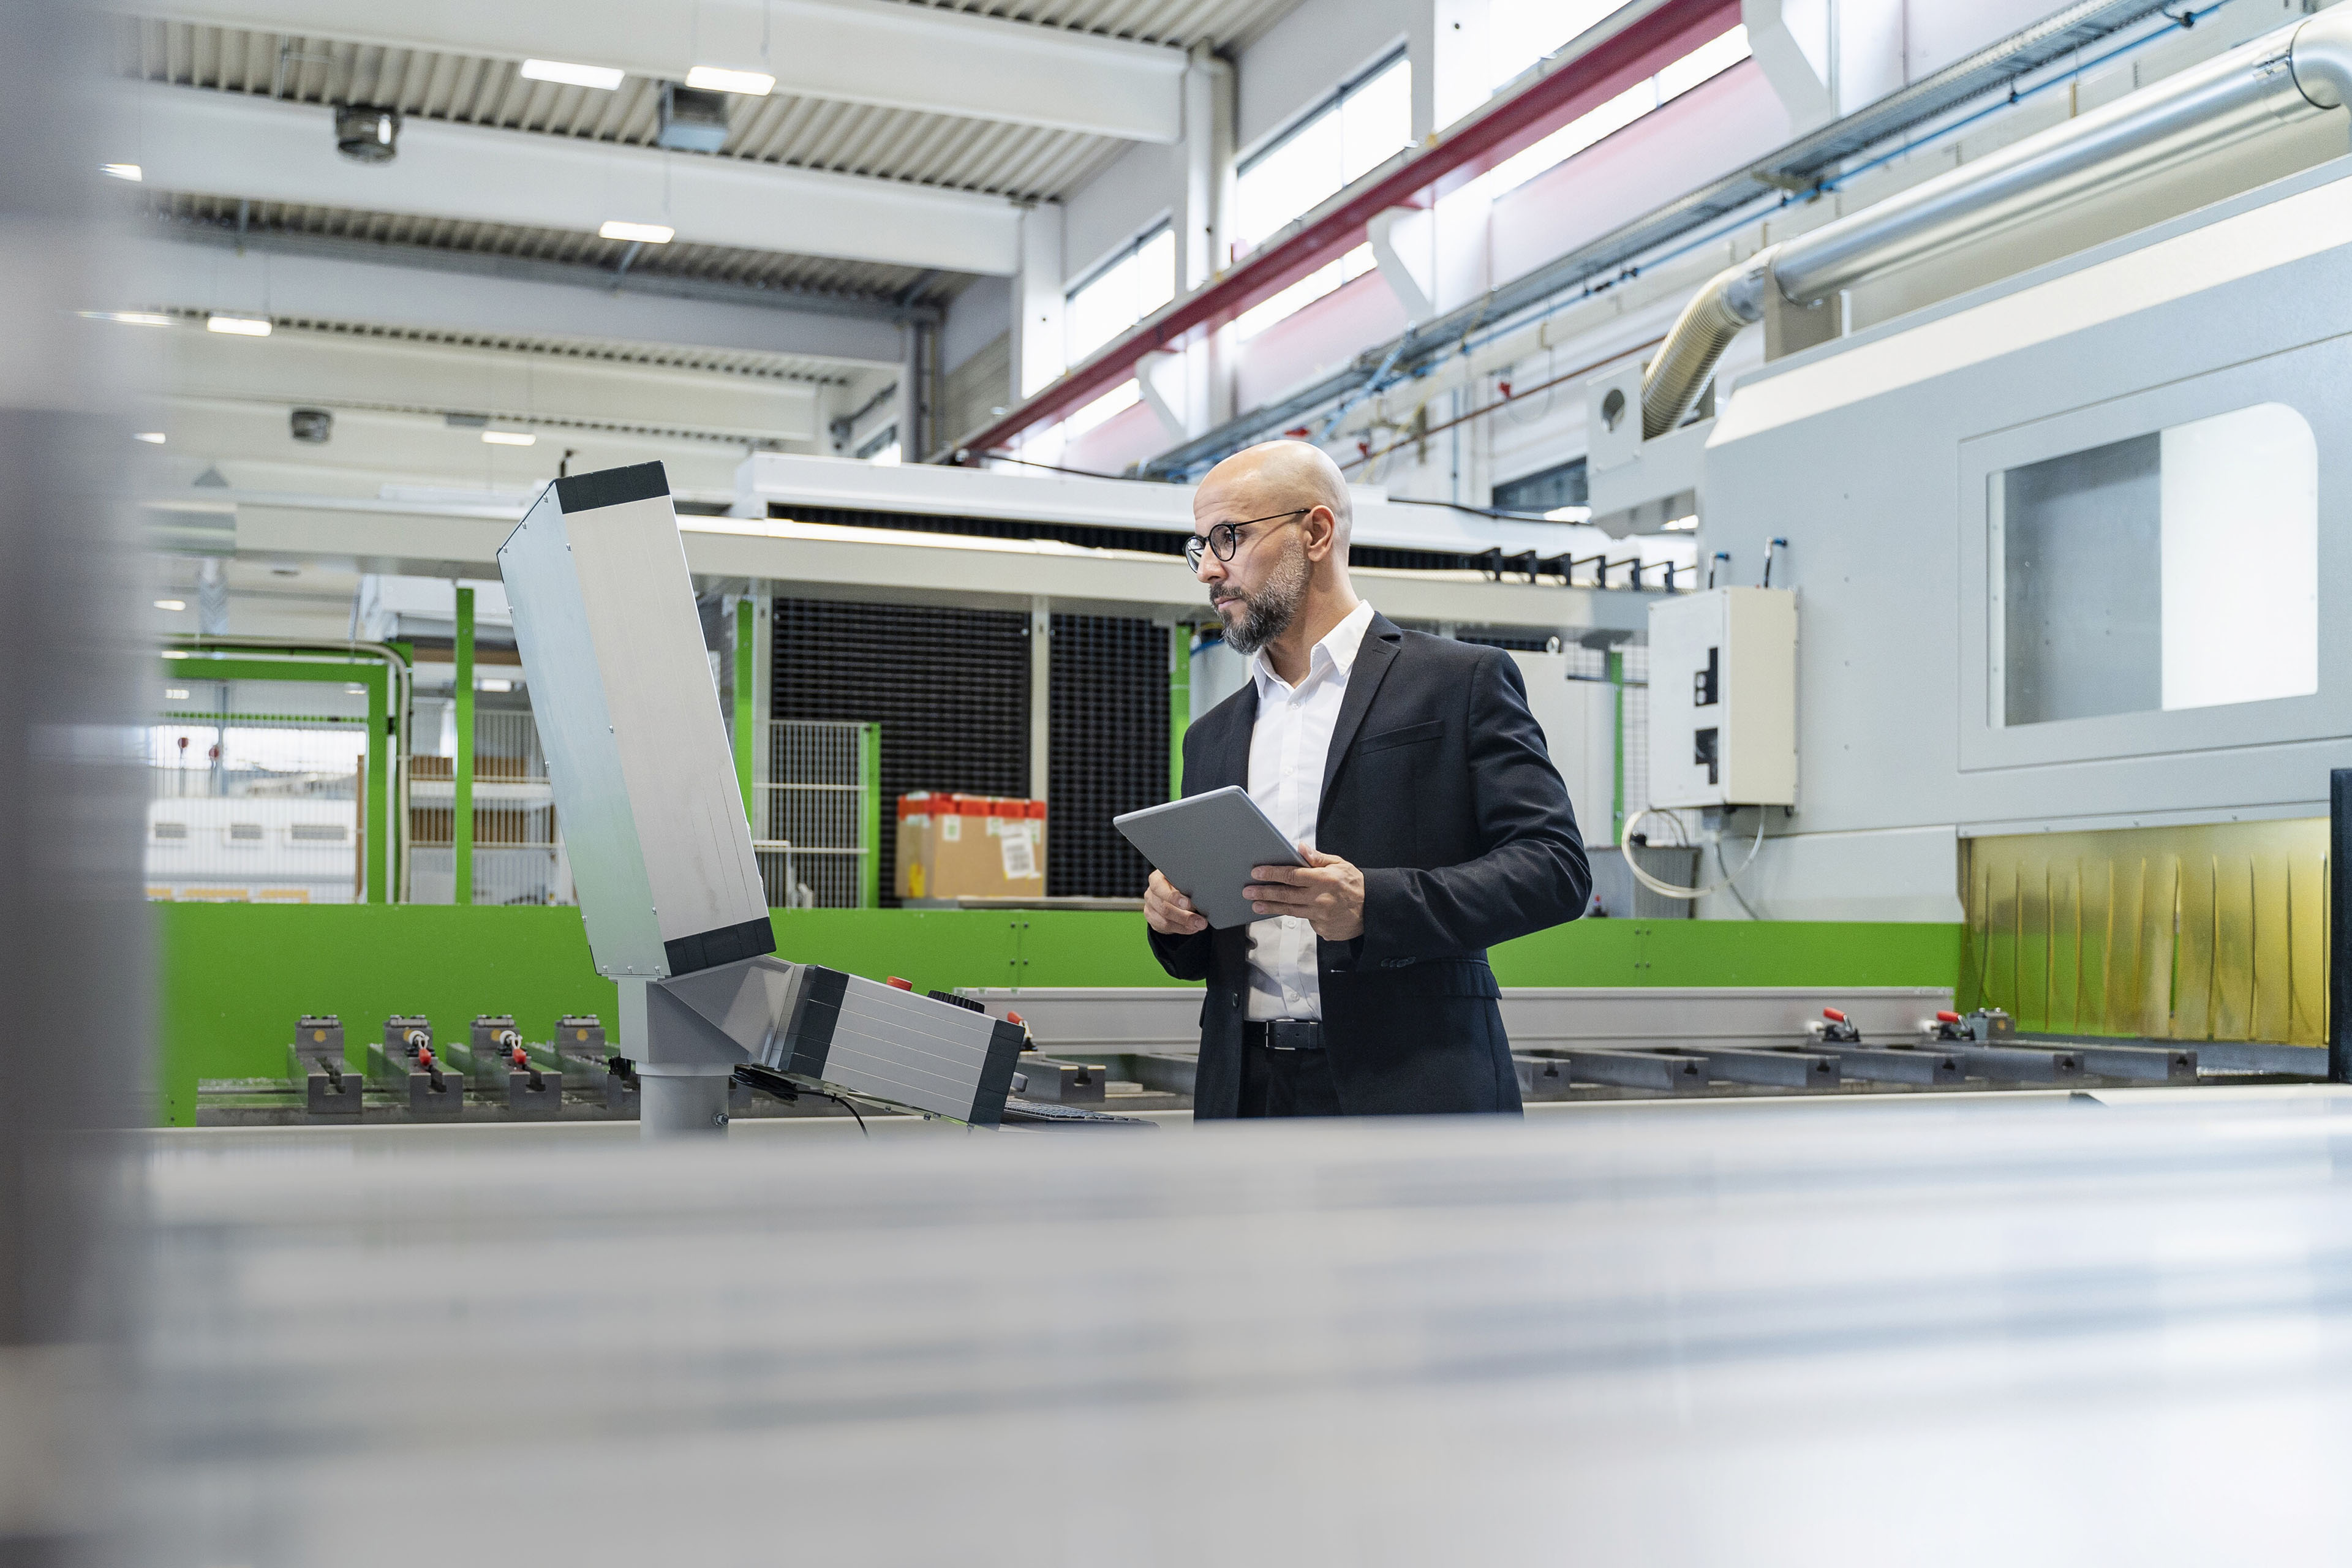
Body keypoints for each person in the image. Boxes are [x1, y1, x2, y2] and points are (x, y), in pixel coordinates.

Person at [1144, 440, 1591, 1118]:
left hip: (1414, 1085)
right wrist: (1174, 920)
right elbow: (1207, 952)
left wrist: (1373, 906)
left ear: (1316, 532)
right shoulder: (1210, 735)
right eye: (1200, 546)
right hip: (1246, 1093)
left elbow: (1555, 869)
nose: (1208, 569)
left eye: (1228, 538)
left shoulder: (1458, 683)